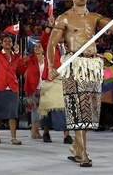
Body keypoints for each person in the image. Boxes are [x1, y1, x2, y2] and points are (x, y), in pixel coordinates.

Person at [47, 0, 113, 167]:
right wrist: (50, 66)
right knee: (78, 111)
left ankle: (77, 146)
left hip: (92, 67)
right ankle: (83, 154)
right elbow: (51, 44)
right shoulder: (64, 18)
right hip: (75, 65)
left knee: (88, 111)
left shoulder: (95, 17)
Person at [39, 16, 73, 145]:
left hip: (63, 80)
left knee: (65, 108)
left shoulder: (68, 48)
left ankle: (67, 135)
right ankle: (46, 132)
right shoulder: (50, 46)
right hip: (50, 79)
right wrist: (49, 27)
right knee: (47, 107)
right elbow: (43, 40)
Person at [23, 41, 47, 139]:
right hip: (32, 88)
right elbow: (22, 68)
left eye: (39, 47)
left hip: (43, 88)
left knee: (41, 110)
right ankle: (34, 131)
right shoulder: (30, 59)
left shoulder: (46, 60)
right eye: (35, 46)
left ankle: (37, 131)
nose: (36, 48)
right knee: (34, 110)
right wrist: (23, 60)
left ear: (43, 49)